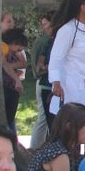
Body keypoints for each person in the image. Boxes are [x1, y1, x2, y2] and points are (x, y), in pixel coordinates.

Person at [48, 0, 85, 114]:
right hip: (72, 88)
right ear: (82, 6)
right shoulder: (68, 30)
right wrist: (56, 82)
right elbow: (56, 58)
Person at [29, 13, 55, 147]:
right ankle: (34, 148)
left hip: (50, 84)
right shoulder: (44, 41)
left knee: (48, 119)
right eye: (43, 24)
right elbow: (38, 68)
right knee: (44, 119)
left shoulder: (51, 40)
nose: (44, 27)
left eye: (46, 24)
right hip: (44, 83)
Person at [0, 28, 27, 133]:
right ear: (13, 43)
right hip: (6, 87)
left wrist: (17, 80)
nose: (18, 52)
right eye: (18, 49)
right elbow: (4, 64)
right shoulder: (3, 48)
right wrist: (17, 80)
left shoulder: (10, 52)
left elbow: (7, 65)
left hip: (11, 88)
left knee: (10, 119)